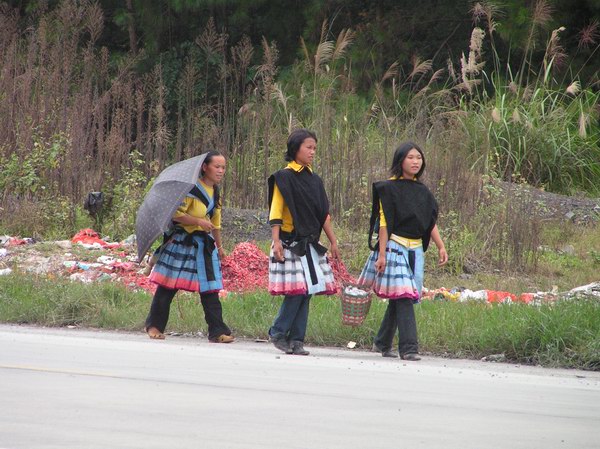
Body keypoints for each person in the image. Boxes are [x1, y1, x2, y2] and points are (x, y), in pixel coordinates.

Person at [358, 142, 448, 360]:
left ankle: (382, 342)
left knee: (402, 297)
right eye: (410, 157)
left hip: (416, 249)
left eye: (419, 157)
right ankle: (409, 348)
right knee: (405, 297)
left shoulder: (423, 191)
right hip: (394, 248)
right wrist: (381, 255)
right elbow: (384, 224)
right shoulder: (388, 189)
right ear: (400, 161)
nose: (416, 161)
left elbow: (429, 221)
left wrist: (440, 245)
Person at [145, 151, 234, 343]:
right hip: (182, 243)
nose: (220, 171)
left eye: (223, 167)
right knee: (167, 287)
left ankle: (217, 331)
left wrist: (220, 248)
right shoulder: (191, 190)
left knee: (210, 289)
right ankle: (154, 326)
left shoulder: (215, 193)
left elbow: (216, 224)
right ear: (205, 167)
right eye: (216, 166)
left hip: (203, 246)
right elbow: (176, 214)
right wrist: (198, 221)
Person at [267, 129, 340, 355]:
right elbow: (276, 211)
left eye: (315, 148)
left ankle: (297, 340)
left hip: (310, 242)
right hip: (290, 241)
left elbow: (323, 215)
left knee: (307, 290)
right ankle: (278, 332)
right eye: (308, 147)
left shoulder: (314, 180)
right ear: (295, 148)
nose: (312, 152)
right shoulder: (284, 177)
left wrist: (334, 242)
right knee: (297, 291)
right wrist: (276, 241)